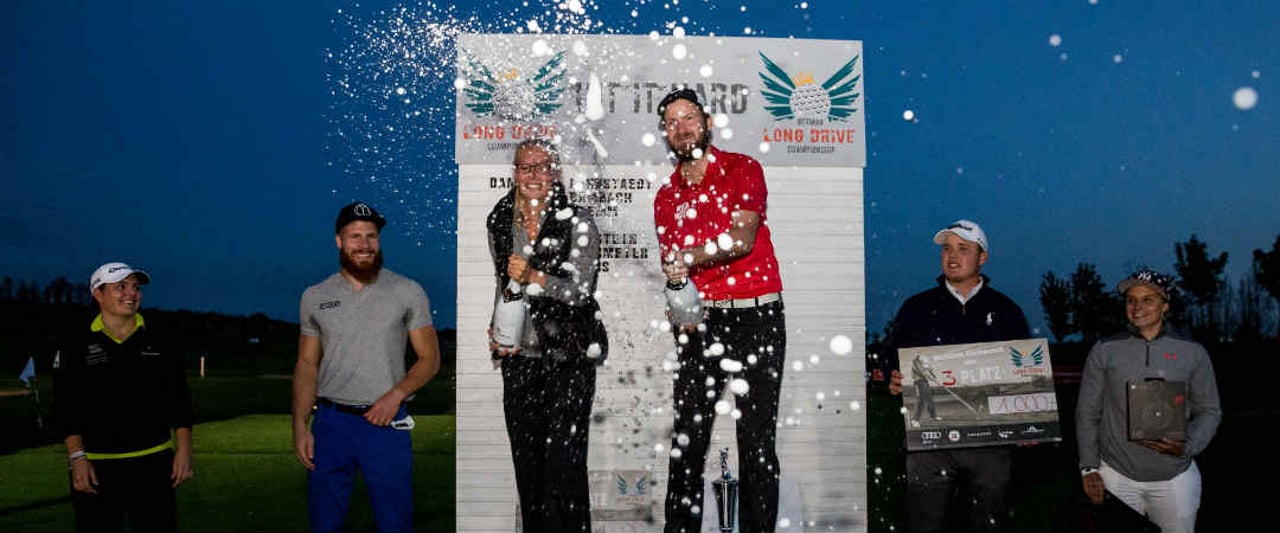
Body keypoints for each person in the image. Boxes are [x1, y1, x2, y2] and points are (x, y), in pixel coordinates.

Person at [653, 87, 787, 533]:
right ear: (666, 134)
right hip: (702, 323)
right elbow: (675, 275)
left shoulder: (743, 169)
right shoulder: (666, 198)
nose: (681, 128)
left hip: (757, 316)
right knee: (687, 438)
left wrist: (685, 260)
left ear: (707, 122)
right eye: (672, 122)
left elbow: (740, 240)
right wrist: (678, 295)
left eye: (688, 117)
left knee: (756, 441)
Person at [292, 201, 441, 533]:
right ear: (339, 241)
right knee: (324, 523)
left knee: (395, 523)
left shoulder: (407, 291)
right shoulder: (315, 296)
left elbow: (430, 359)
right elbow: (305, 364)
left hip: (386, 425)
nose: (364, 244)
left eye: (371, 236)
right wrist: (300, 424)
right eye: (355, 236)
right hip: (331, 425)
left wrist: (396, 395)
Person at [486, 138, 606, 533]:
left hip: (569, 357)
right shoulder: (499, 219)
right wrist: (496, 324)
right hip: (520, 362)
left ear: (555, 172)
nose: (533, 175)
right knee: (529, 467)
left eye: (542, 167)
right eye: (525, 167)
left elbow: (580, 291)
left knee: (565, 468)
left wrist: (534, 276)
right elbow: (503, 282)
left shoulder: (578, 220)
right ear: (515, 173)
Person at [883, 220, 1030, 533]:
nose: (952, 255)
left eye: (963, 248)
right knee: (925, 523)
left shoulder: (1007, 311)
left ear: (982, 257)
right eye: (947, 248)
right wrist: (891, 378)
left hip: (990, 442)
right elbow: (892, 357)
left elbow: (1027, 374)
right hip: (930, 444)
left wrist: (1029, 419)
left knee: (989, 523)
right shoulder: (916, 308)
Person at [1076, 268, 1221, 533]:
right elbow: (1087, 412)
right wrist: (1089, 467)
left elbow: (1209, 411)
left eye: (1147, 299)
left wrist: (1187, 445)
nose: (1137, 307)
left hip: (1174, 476)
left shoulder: (1192, 351)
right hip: (1116, 474)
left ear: (1165, 305)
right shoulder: (1104, 350)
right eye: (1131, 300)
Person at [53, 262, 194, 532]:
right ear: (98, 293)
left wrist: (184, 449)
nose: (131, 293)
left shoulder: (161, 338)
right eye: (120, 287)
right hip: (97, 466)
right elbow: (65, 405)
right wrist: (77, 457)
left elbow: (179, 399)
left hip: (153, 462)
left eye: (135, 287)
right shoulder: (75, 342)